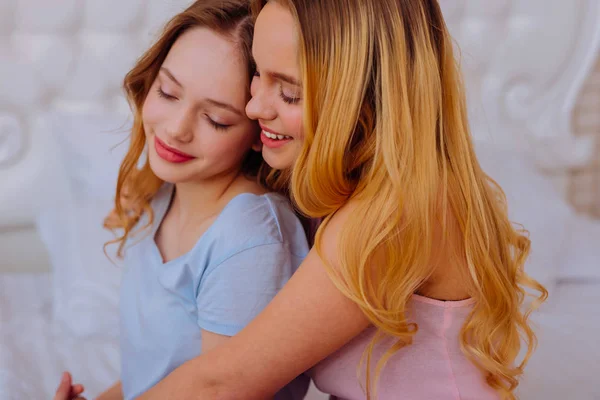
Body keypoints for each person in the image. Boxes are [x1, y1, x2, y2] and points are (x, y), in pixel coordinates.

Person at [57, 0, 548, 399]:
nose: (254, 108)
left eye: (289, 93)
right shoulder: (328, 187)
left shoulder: (393, 216)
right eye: (258, 77)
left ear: (365, 97)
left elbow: (225, 379)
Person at [53, 1, 310, 400]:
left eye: (216, 120)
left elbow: (216, 390)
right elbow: (160, 376)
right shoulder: (161, 193)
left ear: (259, 131)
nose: (175, 130)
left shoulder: (249, 238)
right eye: (168, 92)